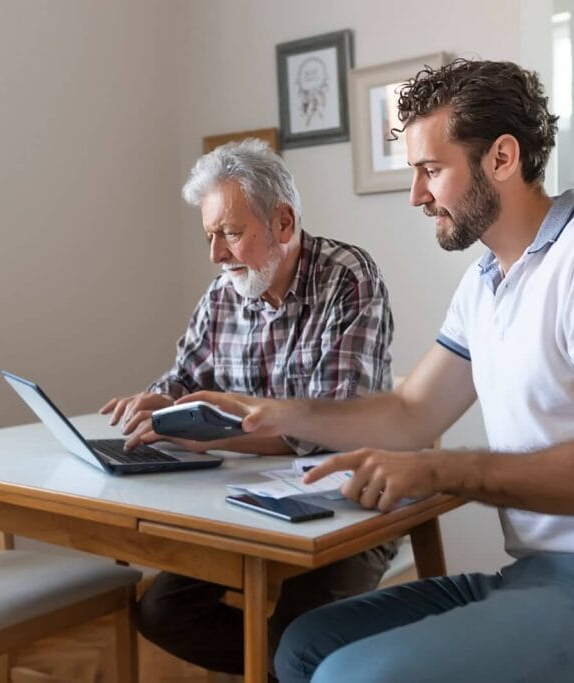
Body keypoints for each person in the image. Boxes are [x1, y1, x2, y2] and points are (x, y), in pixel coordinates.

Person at [184, 60, 574, 683]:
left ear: (502, 157)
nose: (417, 195)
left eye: (431, 170)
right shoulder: (486, 282)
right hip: (541, 577)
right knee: (302, 645)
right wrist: (278, 413)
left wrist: (442, 469)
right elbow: (412, 412)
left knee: (351, 676)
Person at [100, 138, 397, 677]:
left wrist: (212, 436)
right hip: (246, 505)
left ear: (283, 222)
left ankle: (292, 660)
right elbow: (183, 379)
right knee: (161, 612)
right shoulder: (222, 293)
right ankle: (282, 666)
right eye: (211, 235)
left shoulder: (349, 278)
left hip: (348, 502)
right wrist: (157, 402)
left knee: (294, 636)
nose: (216, 255)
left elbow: (331, 424)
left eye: (231, 234)